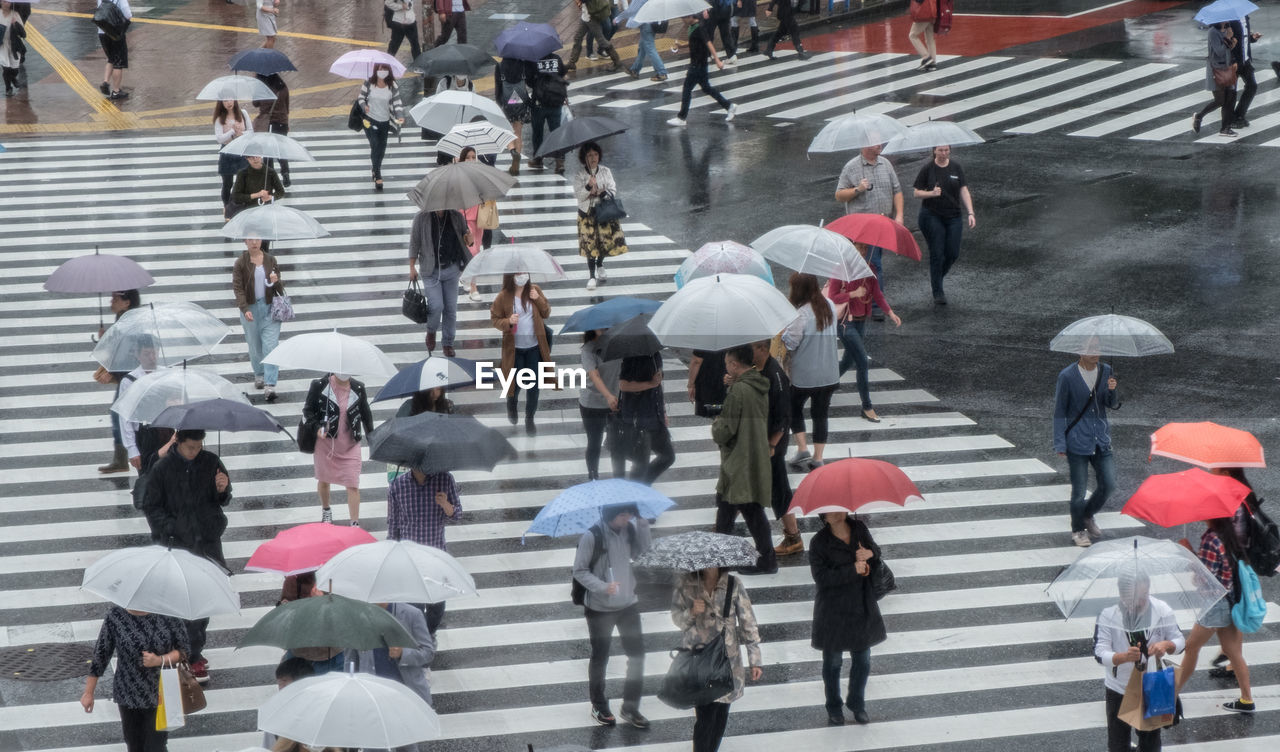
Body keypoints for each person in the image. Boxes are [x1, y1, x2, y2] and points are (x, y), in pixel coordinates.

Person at [138, 429, 232, 684]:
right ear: (178, 443)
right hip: (176, 544)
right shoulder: (162, 468)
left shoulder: (211, 461)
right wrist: (171, 528)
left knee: (202, 600)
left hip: (207, 542)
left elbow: (223, 497)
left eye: (199, 446)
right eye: (191, 447)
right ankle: (183, 652)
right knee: (177, 601)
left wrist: (222, 489)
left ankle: (193, 651)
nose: (195, 451)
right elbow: (150, 506)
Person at [572, 504, 651, 728]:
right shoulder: (592, 536)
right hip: (600, 608)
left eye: (629, 516)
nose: (626, 520)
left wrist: (644, 527)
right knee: (601, 657)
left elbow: (642, 553)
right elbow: (579, 570)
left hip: (628, 603)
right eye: (622, 516)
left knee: (637, 655)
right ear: (610, 515)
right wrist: (602, 587)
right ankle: (598, 704)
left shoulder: (630, 529)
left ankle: (631, 706)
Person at [671, 567, 763, 752]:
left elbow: (747, 620)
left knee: (721, 713)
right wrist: (691, 612)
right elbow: (676, 618)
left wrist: (755, 657)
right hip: (699, 660)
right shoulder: (686, 583)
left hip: (727, 660)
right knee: (705, 714)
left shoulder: (732, 583)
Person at [1093, 568, 1184, 752]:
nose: (1141, 601)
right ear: (1122, 595)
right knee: (1118, 743)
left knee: (1151, 742)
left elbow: (1180, 641)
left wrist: (1166, 645)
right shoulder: (1108, 615)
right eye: (1135, 596)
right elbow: (1100, 652)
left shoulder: (1161, 610)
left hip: (1151, 685)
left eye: (1144, 594)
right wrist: (1122, 657)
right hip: (1119, 688)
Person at [809, 511, 887, 726]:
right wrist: (853, 568)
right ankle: (834, 707)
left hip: (861, 605)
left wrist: (869, 554)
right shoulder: (819, 542)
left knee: (863, 660)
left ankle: (857, 703)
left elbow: (876, 551)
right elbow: (821, 577)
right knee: (833, 663)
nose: (831, 513)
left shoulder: (859, 529)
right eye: (826, 512)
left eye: (835, 508)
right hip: (833, 611)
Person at [1175, 517, 1256, 714]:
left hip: (1216, 603)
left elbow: (1207, 579)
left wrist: (1189, 556)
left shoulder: (1211, 539)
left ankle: (1170, 694)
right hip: (1231, 599)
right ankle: (1247, 700)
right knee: (1234, 652)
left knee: (1191, 647)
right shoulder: (1231, 535)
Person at [81, 606, 190, 752]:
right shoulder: (116, 615)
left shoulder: (168, 613)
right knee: (134, 744)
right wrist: (88, 692)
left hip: (160, 693)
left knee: (156, 746)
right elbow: (101, 654)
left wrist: (159, 660)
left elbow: (184, 651)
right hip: (127, 692)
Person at [712, 345, 777, 574]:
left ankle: (762, 560)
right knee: (731, 509)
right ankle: (724, 560)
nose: (726, 366)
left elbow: (725, 430)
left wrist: (716, 425)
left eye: (727, 362)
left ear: (734, 364)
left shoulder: (739, 391)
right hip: (753, 453)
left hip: (738, 459)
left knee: (744, 510)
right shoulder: (757, 384)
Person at [825, 245, 902, 423]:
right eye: (858, 250)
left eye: (864, 251)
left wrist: (890, 313)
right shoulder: (841, 270)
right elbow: (832, 296)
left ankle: (825, 388)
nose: (862, 254)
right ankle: (867, 406)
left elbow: (877, 293)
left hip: (861, 322)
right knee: (862, 362)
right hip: (846, 323)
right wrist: (853, 293)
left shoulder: (870, 269)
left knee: (847, 361)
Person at [1052, 350, 1120, 547]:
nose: (1095, 354)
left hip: (1101, 439)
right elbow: (1059, 410)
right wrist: (1060, 442)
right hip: (1077, 441)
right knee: (1079, 491)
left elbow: (1111, 403)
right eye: (1090, 350)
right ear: (1080, 351)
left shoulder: (1107, 370)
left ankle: (1088, 515)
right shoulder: (1067, 376)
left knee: (1109, 484)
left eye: (1097, 349)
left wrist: (1112, 389)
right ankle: (1078, 530)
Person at [386, 467, 462, 634]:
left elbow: (457, 515)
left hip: (436, 554)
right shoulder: (397, 486)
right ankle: (422, 639)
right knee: (415, 605)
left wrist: (446, 505)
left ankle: (429, 633)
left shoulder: (445, 480)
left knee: (437, 605)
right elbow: (393, 524)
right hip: (410, 557)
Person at [834, 143, 903, 320]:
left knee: (871, 263)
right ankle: (873, 304)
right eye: (875, 142)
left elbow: (897, 191)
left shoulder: (886, 164)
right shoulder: (851, 167)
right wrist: (858, 189)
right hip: (862, 228)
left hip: (882, 223)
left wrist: (899, 215)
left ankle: (864, 298)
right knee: (874, 264)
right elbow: (839, 195)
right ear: (865, 146)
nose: (880, 145)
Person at [782, 273, 839, 471]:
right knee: (821, 414)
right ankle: (818, 457)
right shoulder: (829, 305)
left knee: (793, 407)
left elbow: (791, 343)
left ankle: (802, 447)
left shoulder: (802, 314)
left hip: (805, 374)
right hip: (829, 372)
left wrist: (783, 333)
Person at [303, 373, 374, 525]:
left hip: (350, 444)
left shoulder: (358, 387)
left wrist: (372, 436)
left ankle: (354, 522)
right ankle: (326, 510)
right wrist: (317, 427)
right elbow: (308, 411)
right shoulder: (320, 385)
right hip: (326, 444)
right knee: (324, 480)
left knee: (353, 484)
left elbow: (366, 414)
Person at [749, 339, 798, 557]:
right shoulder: (757, 369)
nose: (746, 352)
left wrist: (771, 444)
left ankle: (793, 536)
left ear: (762, 349)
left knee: (779, 489)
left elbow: (784, 416)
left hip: (772, 443)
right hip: (760, 439)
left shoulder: (775, 375)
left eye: (750, 348)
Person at [913, 145, 975, 305]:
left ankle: (937, 277)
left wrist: (971, 212)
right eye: (940, 150)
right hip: (932, 215)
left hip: (953, 215)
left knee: (953, 253)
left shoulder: (956, 167)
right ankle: (938, 292)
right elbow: (916, 192)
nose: (944, 153)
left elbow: (964, 190)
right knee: (937, 253)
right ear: (934, 151)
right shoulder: (928, 169)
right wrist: (931, 193)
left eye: (946, 150)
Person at [490, 273, 551, 433]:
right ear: (511, 276)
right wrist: (508, 321)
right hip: (514, 351)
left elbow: (546, 312)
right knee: (514, 385)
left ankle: (530, 418)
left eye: (523, 272)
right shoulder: (503, 296)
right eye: (517, 273)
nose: (521, 276)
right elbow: (495, 319)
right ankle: (512, 405)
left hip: (534, 348)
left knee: (534, 387)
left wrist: (538, 298)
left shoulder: (534, 290)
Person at [408, 207, 472, 355]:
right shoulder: (421, 218)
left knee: (450, 308)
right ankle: (431, 330)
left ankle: (448, 343)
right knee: (436, 306)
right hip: (431, 271)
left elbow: (466, 239)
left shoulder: (456, 216)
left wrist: (470, 240)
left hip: (452, 269)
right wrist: (412, 267)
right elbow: (414, 243)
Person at [231, 237, 285, 402]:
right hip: (251, 308)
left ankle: (270, 384)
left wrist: (276, 282)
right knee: (255, 346)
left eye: (257, 239)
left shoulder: (270, 260)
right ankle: (259, 374)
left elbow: (280, 289)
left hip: (269, 308)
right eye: (250, 239)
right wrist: (245, 308)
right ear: (245, 242)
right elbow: (238, 288)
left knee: (271, 346)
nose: (254, 242)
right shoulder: (240, 263)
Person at [94, 289, 141, 473]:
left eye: (115, 298)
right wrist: (106, 338)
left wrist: (111, 373)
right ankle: (121, 459)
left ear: (126, 302)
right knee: (120, 415)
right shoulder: (124, 318)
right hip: (128, 376)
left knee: (120, 415)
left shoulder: (129, 321)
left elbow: (126, 354)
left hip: (131, 377)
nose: (111, 301)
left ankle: (125, 459)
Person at [355, 601, 436, 706]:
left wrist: (403, 653)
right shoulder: (357, 618)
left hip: (407, 693)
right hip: (373, 695)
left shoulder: (412, 614)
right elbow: (351, 660)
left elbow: (428, 652)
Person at [573, 141, 629, 290]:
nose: (593, 158)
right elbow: (578, 195)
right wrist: (588, 187)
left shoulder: (605, 171)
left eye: (596, 154)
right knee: (590, 246)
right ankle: (592, 276)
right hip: (587, 215)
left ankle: (600, 264)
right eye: (590, 155)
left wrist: (601, 192)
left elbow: (612, 189)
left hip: (604, 213)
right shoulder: (580, 174)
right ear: (584, 157)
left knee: (605, 242)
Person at [667, 12, 736, 127]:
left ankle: (682, 117)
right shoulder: (693, 27)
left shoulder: (700, 28)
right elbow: (695, 42)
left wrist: (717, 60)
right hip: (698, 64)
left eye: (683, 18)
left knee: (687, 89)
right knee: (707, 88)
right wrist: (682, 46)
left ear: (690, 17)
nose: (682, 20)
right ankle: (729, 106)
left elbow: (709, 43)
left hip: (698, 64)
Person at [618, 351, 674, 484]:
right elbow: (623, 385)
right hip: (640, 419)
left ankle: (642, 486)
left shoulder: (656, 355)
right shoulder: (632, 357)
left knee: (668, 457)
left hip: (656, 415)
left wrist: (663, 411)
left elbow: (658, 385)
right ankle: (635, 497)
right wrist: (650, 384)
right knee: (640, 464)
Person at [580, 330, 626, 480]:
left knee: (618, 444)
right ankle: (593, 477)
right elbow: (594, 375)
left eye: (607, 327)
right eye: (601, 327)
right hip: (592, 404)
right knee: (594, 442)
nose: (605, 329)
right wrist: (608, 396)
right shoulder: (588, 349)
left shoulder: (619, 345)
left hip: (616, 402)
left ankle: (619, 479)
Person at [357, 63, 405, 190]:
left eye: (384, 69)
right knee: (375, 145)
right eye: (379, 69)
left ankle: (375, 168)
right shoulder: (368, 83)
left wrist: (399, 115)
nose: (382, 71)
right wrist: (364, 106)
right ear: (375, 70)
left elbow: (397, 102)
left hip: (384, 122)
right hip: (370, 121)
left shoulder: (392, 85)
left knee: (381, 149)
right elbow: (361, 98)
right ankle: (378, 174)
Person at [1193, 21, 1239, 138]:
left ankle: (1225, 128)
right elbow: (1219, 51)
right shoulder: (1213, 32)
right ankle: (1199, 116)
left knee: (1229, 99)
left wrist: (1233, 42)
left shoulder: (1227, 29)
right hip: (1216, 69)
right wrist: (1228, 38)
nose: (1228, 21)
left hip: (1227, 67)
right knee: (1220, 100)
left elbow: (1228, 50)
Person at [526, 49, 569, 174]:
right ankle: (560, 161)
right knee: (556, 132)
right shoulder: (557, 59)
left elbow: (529, 81)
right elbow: (563, 75)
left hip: (539, 103)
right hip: (555, 102)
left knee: (538, 133)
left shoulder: (533, 61)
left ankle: (538, 159)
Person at [262, 658, 316, 749]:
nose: (281, 690)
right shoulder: (275, 717)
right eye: (279, 684)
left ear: (302, 683)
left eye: (284, 683)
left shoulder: (320, 711)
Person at [494, 56, 534, 175]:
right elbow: (529, 80)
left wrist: (499, 102)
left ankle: (512, 151)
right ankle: (515, 165)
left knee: (506, 130)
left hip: (507, 103)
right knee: (518, 132)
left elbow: (498, 87)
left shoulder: (500, 66)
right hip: (520, 101)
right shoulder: (522, 63)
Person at [213, 99, 252, 220]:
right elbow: (219, 138)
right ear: (221, 103)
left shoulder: (243, 113)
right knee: (227, 183)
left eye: (230, 99)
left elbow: (251, 131)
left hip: (241, 151)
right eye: (225, 101)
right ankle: (227, 207)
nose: (228, 103)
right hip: (227, 152)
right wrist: (232, 131)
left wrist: (241, 134)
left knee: (243, 182)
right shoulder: (220, 118)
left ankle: (240, 206)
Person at [566, 0, 627, 75]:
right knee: (577, 38)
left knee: (601, 41)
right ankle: (572, 63)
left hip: (592, 18)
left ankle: (617, 62)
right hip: (585, 16)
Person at [252, 73, 291, 187]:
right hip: (282, 123)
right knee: (280, 150)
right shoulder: (282, 87)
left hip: (268, 123)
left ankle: (271, 178)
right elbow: (286, 106)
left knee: (268, 152)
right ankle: (285, 173)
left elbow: (255, 103)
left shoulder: (262, 88)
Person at [230, 154, 286, 221]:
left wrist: (270, 197)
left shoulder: (270, 172)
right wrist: (257, 195)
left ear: (261, 156)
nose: (255, 159)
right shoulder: (242, 174)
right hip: (248, 212)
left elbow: (281, 192)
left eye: (257, 156)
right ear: (247, 158)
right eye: (251, 157)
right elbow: (236, 196)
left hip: (266, 212)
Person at [1228, 14, 1260, 128]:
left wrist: (1252, 38)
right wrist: (1233, 60)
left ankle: (1239, 115)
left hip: (1245, 60)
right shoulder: (1229, 20)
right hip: (1234, 62)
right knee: (1231, 92)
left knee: (1252, 86)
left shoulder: (1245, 17)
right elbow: (1226, 42)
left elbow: (1243, 38)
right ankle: (1230, 119)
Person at [96, 0, 132, 100]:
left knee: (111, 58)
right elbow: (127, 13)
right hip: (115, 32)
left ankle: (106, 82)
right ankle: (116, 91)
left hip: (102, 32)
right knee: (118, 62)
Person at [688, 349, 728, 418]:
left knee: (708, 414)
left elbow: (696, 361)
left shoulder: (704, 339)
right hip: (727, 380)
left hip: (706, 382)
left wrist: (690, 384)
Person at [629, 16, 669, 82]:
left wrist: (618, 18)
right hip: (653, 22)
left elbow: (631, 10)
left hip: (646, 24)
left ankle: (662, 73)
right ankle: (635, 69)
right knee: (642, 47)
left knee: (650, 49)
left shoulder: (642, 5)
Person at [0, 1, 25, 97]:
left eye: (9, 1)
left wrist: (16, 24)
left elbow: (23, 34)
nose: (7, 3)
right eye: (4, 1)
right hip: (2, 46)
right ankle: (8, 88)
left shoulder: (15, 15)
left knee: (14, 70)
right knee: (6, 68)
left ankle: (13, 78)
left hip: (14, 46)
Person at [907, 0, 937, 71]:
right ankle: (932, 63)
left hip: (924, 11)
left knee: (912, 35)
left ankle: (926, 57)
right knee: (930, 39)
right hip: (934, 10)